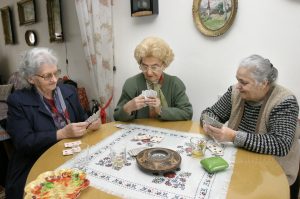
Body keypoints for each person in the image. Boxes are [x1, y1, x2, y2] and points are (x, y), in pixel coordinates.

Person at [5, 48, 101, 199]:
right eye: (47, 76)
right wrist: (61, 134)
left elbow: (82, 117)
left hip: (72, 154)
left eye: (56, 73)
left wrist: (91, 122)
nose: (55, 79)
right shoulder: (18, 101)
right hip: (35, 162)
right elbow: (24, 142)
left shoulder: (68, 90)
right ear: (31, 78)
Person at [200, 54, 299, 199]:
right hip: (240, 166)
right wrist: (209, 123)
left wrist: (234, 136)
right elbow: (210, 112)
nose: (238, 86)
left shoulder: (284, 101)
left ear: (264, 83)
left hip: (273, 176)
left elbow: (280, 144)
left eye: (244, 82)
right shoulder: (235, 91)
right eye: (237, 80)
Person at [113, 36, 193, 121]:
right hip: (140, 133)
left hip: (169, 132)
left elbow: (187, 113)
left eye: (154, 67)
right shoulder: (131, 83)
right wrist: (127, 108)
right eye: (144, 66)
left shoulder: (175, 83)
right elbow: (117, 117)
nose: (149, 73)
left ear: (164, 65)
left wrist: (160, 110)